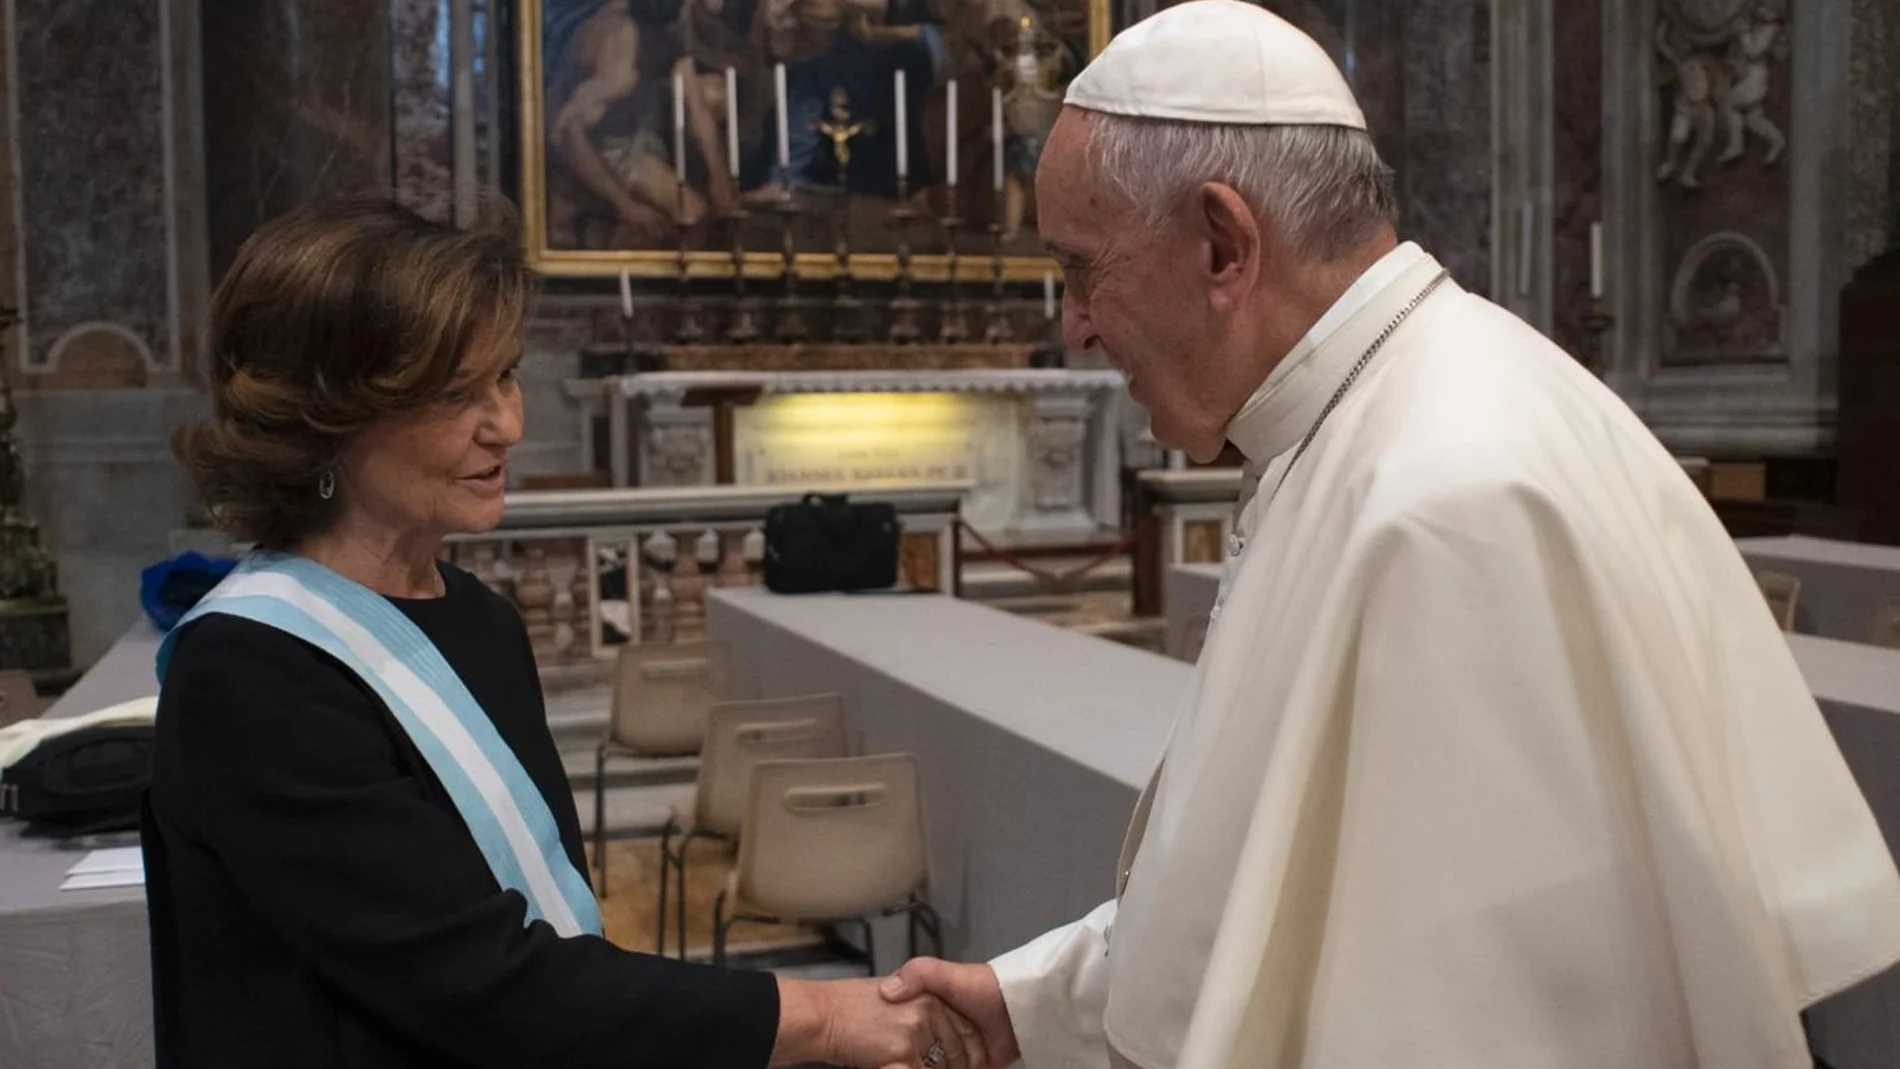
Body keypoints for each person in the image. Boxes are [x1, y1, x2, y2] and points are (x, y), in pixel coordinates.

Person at [880, 3, 1900, 1067]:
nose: (1072, 323)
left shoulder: (1449, 502)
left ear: (1223, 244)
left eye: (1082, 267)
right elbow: (1284, 887)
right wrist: (1034, 1003)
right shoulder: (1379, 420)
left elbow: (1488, 1024)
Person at [144, 195, 981, 1069]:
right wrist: (824, 1020)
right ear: (327, 413)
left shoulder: (479, 618)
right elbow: (484, 984)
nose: (506, 424)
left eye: (504, 376)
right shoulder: (252, 673)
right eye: (456, 393)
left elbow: (547, 933)